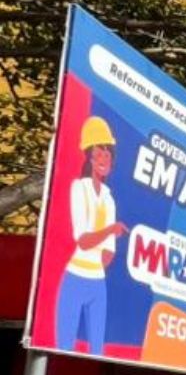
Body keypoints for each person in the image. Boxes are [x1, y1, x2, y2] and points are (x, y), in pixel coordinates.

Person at [55, 116, 127, 354]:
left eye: (108, 154)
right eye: (99, 153)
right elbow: (83, 241)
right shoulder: (79, 189)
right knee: (63, 347)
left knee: (97, 350)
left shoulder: (109, 197)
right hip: (74, 278)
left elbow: (108, 252)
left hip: (97, 284)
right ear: (88, 156)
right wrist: (109, 230)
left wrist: (100, 254)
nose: (104, 159)